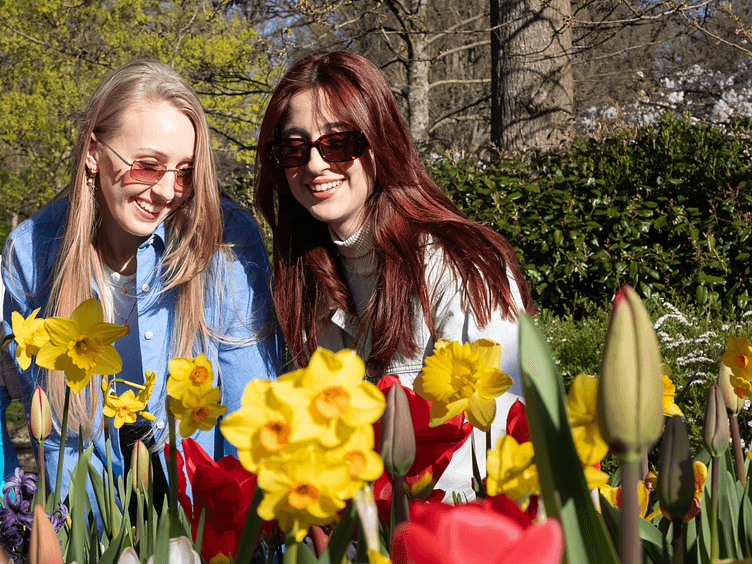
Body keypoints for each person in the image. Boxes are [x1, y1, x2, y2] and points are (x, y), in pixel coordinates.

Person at [2, 60, 282, 513]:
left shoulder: (224, 243)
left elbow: (251, 412)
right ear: (94, 151)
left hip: (203, 520)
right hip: (88, 528)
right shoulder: (32, 254)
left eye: (185, 171)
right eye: (148, 167)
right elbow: (57, 435)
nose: (168, 191)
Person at [253, 50, 536, 498]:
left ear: (379, 141)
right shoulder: (300, 280)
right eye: (294, 148)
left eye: (338, 142)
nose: (314, 164)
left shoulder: (462, 265)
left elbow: (497, 437)